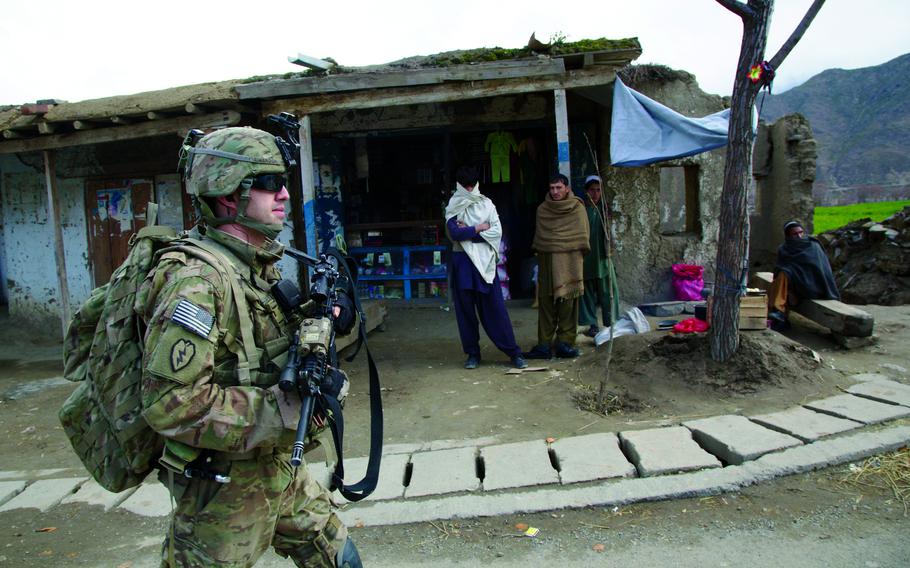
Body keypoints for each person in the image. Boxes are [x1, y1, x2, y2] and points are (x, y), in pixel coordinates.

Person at [138, 126, 362, 567]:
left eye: (281, 182)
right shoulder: (197, 282)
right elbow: (169, 403)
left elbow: (260, 345)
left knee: (338, 555)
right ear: (225, 195)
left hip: (280, 468)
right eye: (265, 184)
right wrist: (280, 409)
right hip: (223, 494)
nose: (281, 194)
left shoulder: (255, 264)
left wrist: (326, 321)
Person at [445, 165, 527, 370]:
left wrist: (470, 232)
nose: (470, 189)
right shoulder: (453, 204)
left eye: (472, 185)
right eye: (466, 186)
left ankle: (513, 352)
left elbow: (496, 232)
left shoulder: (487, 204)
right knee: (466, 313)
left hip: (485, 264)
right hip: (462, 263)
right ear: (460, 186)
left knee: (496, 310)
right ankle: (472, 353)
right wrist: (480, 228)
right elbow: (454, 233)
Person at [524, 174, 590, 359]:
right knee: (546, 304)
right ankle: (543, 345)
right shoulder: (543, 209)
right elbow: (541, 239)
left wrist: (566, 248)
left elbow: (582, 237)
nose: (554, 192)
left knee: (568, 304)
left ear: (567, 188)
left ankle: (565, 343)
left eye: (558, 188)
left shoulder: (577, 208)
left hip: (570, 262)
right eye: (552, 188)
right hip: (547, 261)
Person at [768, 220, 840, 329]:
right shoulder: (784, 249)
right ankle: (779, 314)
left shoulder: (813, 245)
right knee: (782, 275)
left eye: (801, 232)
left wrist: (792, 272)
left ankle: (779, 311)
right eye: (795, 234)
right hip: (795, 283)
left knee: (785, 274)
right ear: (788, 236)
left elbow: (818, 268)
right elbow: (779, 268)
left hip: (814, 285)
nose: (799, 236)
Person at [578, 175, 620, 338]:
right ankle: (592, 324)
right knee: (586, 292)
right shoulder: (581, 210)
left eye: (598, 190)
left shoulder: (605, 209)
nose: (595, 194)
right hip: (586, 258)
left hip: (603, 257)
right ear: (586, 192)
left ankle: (611, 323)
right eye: (591, 190)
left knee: (608, 290)